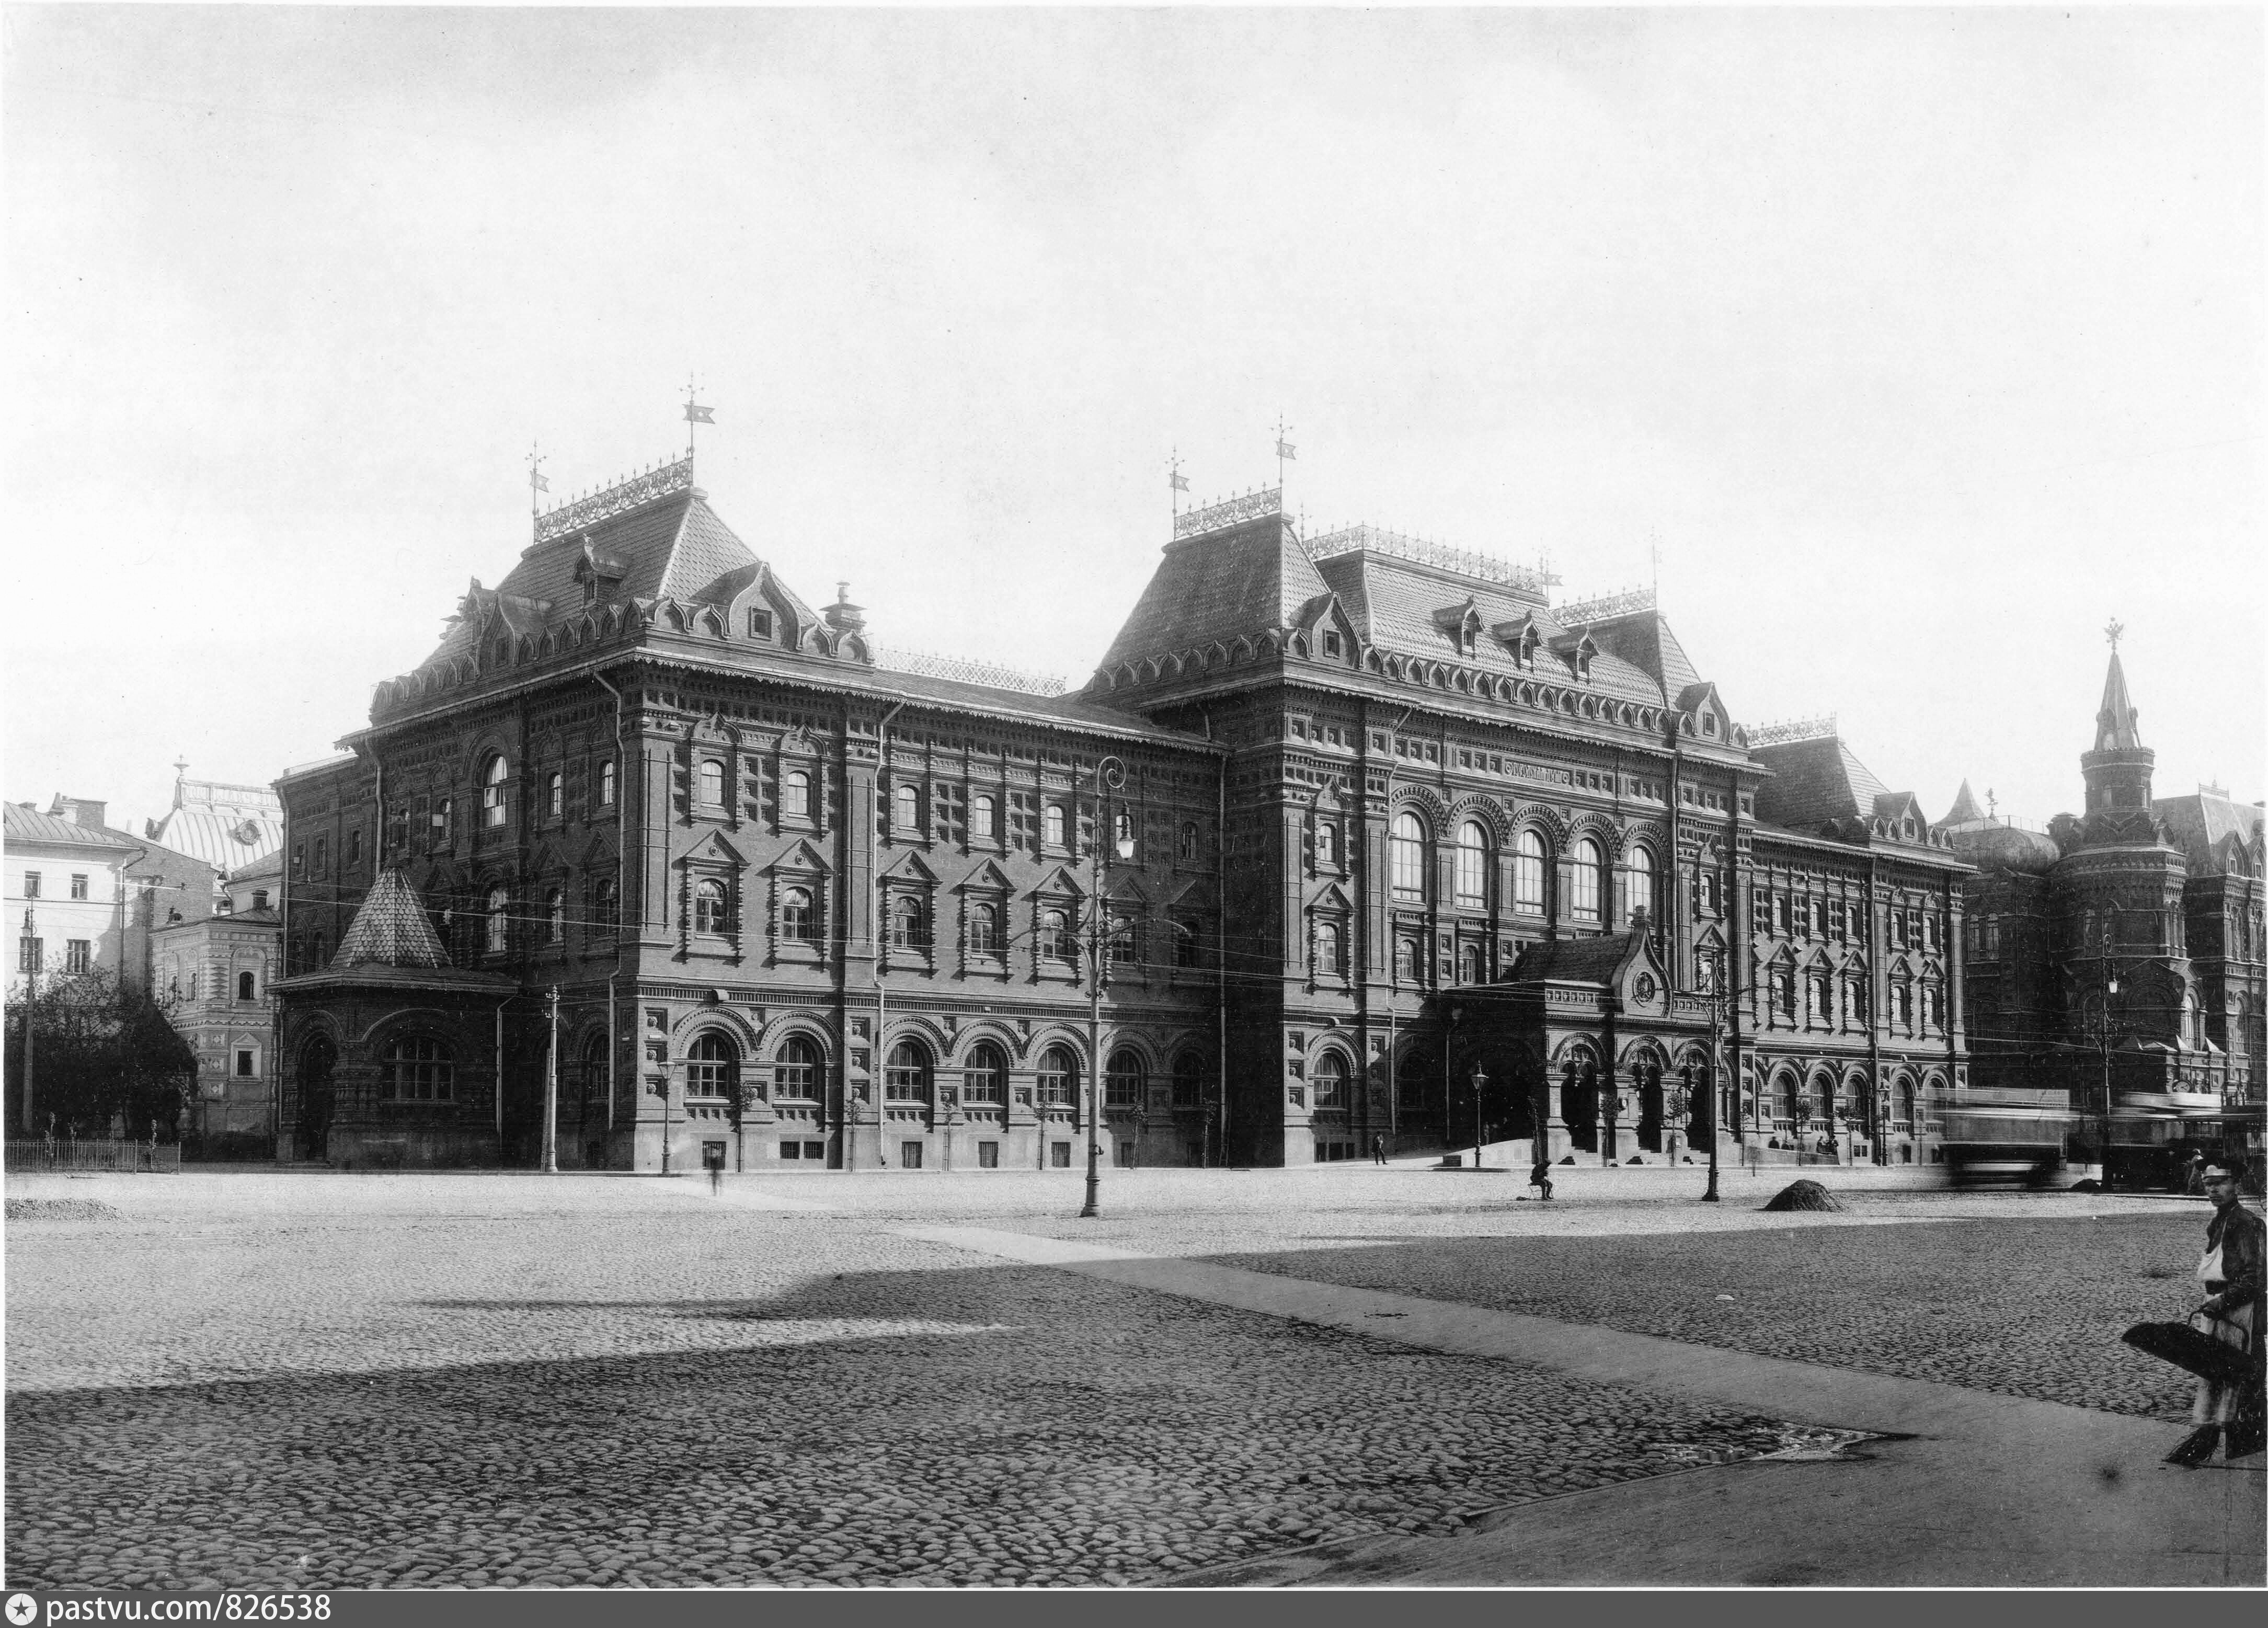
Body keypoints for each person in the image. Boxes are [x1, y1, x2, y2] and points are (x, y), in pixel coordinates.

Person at [2166, 1157, 2263, 1465]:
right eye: (2209, 1184)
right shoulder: (2219, 1221)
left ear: (2236, 1185)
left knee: (2234, 1373)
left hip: (2238, 1311)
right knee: (2217, 1372)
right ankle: (2217, 1434)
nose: (2214, 1190)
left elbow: (2256, 1278)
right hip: (2219, 1308)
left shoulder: (2244, 1222)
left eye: (2221, 1183)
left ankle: (2242, 1438)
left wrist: (2222, 1302)